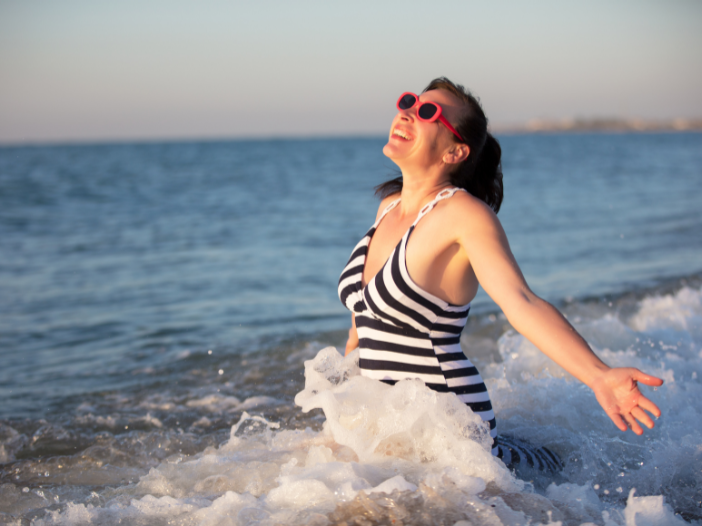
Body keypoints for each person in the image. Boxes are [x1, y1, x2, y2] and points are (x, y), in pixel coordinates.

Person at [337, 77, 663, 469]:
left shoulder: (463, 214)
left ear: (456, 151)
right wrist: (346, 400)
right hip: (386, 428)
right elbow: (365, 317)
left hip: (447, 431)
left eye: (427, 112)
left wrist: (599, 376)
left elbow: (521, 302)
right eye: (409, 102)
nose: (407, 112)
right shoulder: (388, 208)